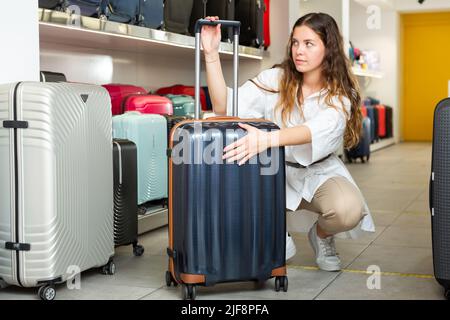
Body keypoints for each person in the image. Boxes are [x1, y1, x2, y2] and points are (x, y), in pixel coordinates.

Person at [201, 13, 375, 272]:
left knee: (347, 210)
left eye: (308, 43)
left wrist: (268, 138)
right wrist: (211, 54)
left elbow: (314, 130)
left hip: (319, 172)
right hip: (272, 172)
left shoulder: (340, 94)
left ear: (329, 49)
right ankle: (274, 230)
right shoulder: (277, 79)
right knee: (277, 252)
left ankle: (322, 236)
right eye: (295, 42)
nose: (298, 51)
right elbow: (224, 106)